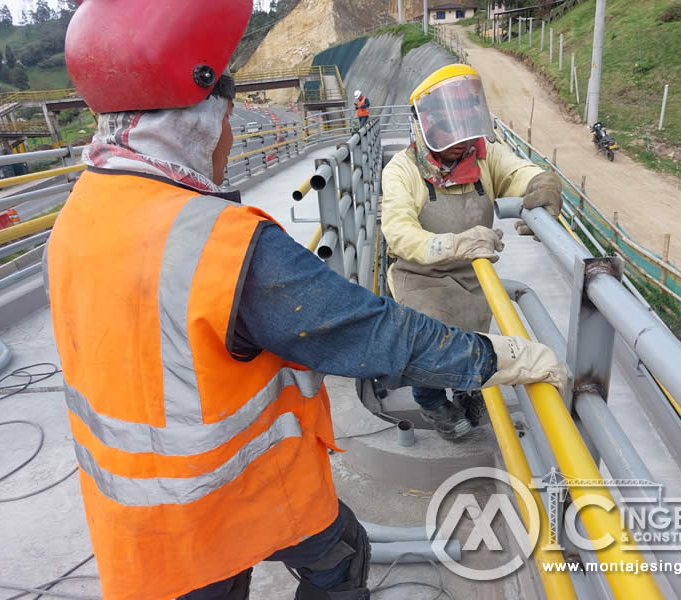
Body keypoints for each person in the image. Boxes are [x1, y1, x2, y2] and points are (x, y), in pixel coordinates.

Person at [44, 4, 566, 600]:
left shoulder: (80, 214)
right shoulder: (224, 248)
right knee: (334, 568)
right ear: (202, 122)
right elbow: (373, 333)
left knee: (338, 550)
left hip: (134, 517)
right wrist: (497, 357)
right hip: (214, 507)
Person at [381, 64, 564, 440]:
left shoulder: (482, 158)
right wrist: (452, 244)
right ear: (424, 126)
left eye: (465, 132)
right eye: (450, 133)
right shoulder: (402, 170)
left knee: (472, 337)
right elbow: (397, 231)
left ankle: (468, 390)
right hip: (421, 278)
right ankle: (430, 401)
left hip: (473, 274)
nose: (460, 145)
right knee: (429, 348)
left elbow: (517, 172)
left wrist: (542, 184)